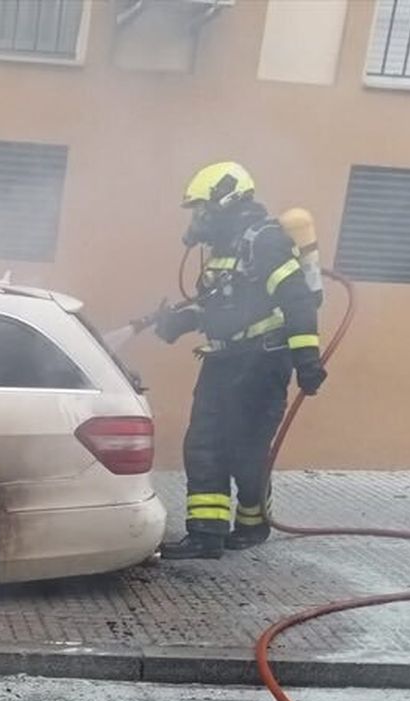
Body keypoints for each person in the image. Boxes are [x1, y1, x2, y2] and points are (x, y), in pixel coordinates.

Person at [156, 162, 327, 559]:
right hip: (223, 360)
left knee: (246, 450)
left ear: (227, 202)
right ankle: (206, 534)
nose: (198, 219)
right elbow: (222, 305)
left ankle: (252, 524)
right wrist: (182, 322)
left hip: (261, 363)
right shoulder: (222, 249)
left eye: (202, 209)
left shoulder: (265, 242)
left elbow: (297, 299)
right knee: (203, 444)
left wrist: (307, 360)